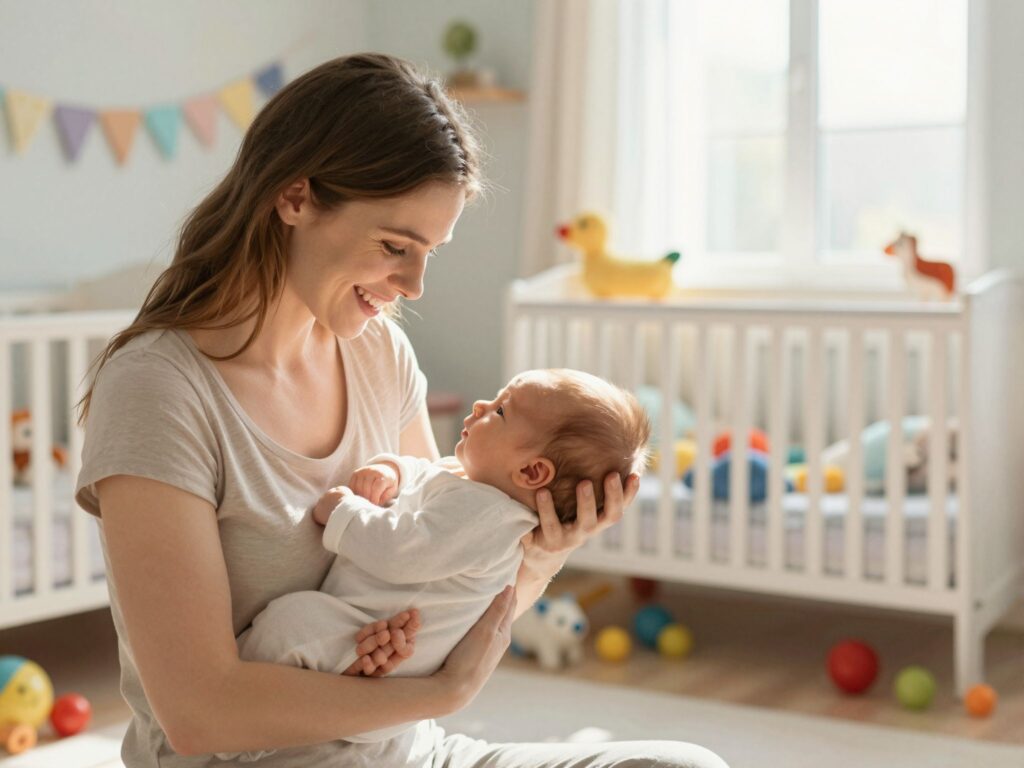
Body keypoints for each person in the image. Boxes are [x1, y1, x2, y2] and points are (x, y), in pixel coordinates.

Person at [75, 53, 728, 768]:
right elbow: (199, 714)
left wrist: (542, 552)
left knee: (684, 766)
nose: (414, 285)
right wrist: (438, 695)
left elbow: (442, 585)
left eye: (430, 254)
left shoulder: (378, 352)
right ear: (295, 199)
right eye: (395, 246)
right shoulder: (158, 390)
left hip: (408, 753)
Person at [217, 368, 650, 760]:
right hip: (372, 652)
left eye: (501, 411)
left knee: (290, 623)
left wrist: (344, 512)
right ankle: (237, 723)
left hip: (382, 673)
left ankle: (240, 736)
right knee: (292, 626)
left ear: (532, 472)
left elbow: (401, 552)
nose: (480, 405)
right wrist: (391, 471)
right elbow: (422, 474)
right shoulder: (470, 486)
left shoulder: (489, 518)